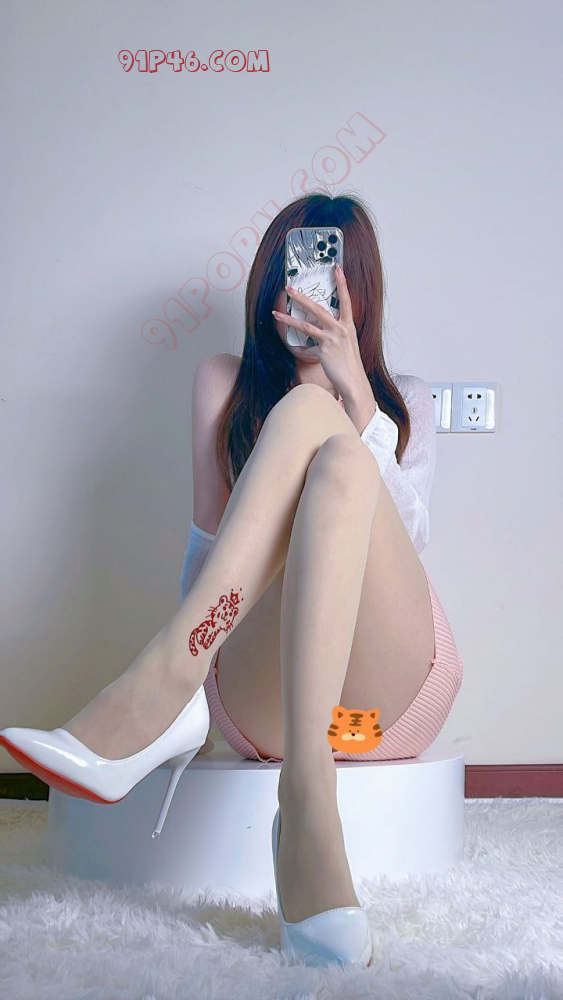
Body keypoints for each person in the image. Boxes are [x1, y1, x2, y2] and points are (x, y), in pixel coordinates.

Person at [0, 192, 463, 968]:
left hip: (381, 708)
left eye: (329, 276)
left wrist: (355, 402)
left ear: (359, 290)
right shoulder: (224, 384)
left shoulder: (404, 402)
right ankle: (298, 804)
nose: (306, 292)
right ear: (267, 285)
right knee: (308, 420)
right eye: (293, 272)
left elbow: (406, 547)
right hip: (267, 704)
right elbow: (209, 550)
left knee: (337, 450)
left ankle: (159, 694)